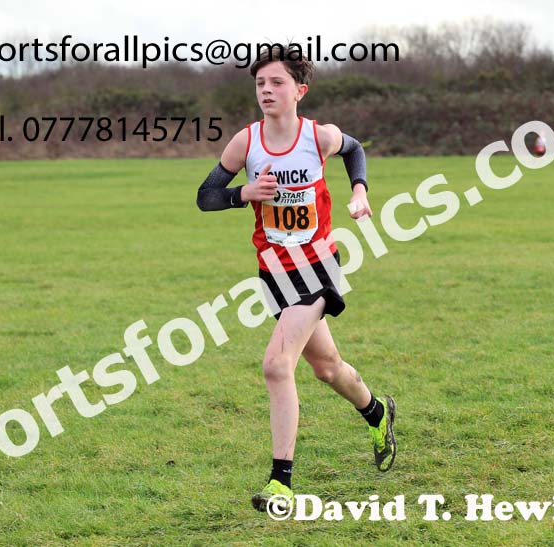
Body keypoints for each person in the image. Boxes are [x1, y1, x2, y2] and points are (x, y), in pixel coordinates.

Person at [196, 45, 396, 513]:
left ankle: (280, 483)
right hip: (274, 272)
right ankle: (376, 411)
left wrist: (360, 191)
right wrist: (244, 192)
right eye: (260, 84)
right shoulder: (245, 143)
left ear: (299, 90)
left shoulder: (318, 136)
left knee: (275, 364)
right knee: (326, 367)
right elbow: (206, 197)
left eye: (276, 83)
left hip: (318, 265)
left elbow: (355, 149)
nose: (266, 90)